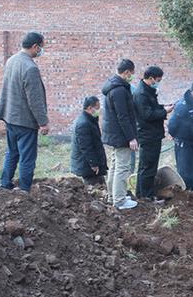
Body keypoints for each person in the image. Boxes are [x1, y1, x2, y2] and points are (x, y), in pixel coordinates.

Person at [0, 32, 49, 193]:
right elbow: (35, 99)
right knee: (27, 156)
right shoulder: (30, 68)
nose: (41, 51)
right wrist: (43, 122)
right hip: (24, 120)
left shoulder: (12, 60)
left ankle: (5, 183)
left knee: (12, 152)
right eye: (41, 47)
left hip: (9, 116)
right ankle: (24, 188)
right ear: (35, 46)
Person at [102, 58, 139, 210]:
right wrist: (131, 138)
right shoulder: (119, 90)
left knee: (115, 166)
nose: (132, 77)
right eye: (132, 74)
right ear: (126, 72)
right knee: (122, 167)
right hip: (121, 135)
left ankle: (112, 196)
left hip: (113, 134)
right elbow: (122, 116)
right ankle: (120, 200)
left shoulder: (112, 86)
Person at [133, 66, 174, 201]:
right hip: (148, 135)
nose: (158, 82)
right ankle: (147, 196)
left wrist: (163, 107)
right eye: (158, 80)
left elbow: (152, 108)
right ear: (151, 78)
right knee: (148, 167)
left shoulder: (148, 91)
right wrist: (165, 112)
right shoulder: (141, 94)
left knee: (146, 166)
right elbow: (147, 114)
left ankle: (141, 194)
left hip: (152, 134)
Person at [168, 81, 193, 191]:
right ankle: (184, 192)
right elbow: (172, 124)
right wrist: (173, 135)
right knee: (185, 169)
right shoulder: (182, 105)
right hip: (183, 143)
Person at [70, 96, 108, 185]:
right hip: (87, 166)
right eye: (97, 108)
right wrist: (93, 164)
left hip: (90, 164)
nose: (99, 110)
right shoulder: (83, 123)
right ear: (90, 108)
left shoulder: (90, 120)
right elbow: (86, 147)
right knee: (93, 188)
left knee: (100, 185)